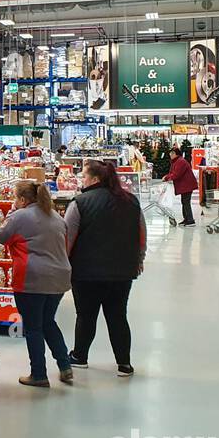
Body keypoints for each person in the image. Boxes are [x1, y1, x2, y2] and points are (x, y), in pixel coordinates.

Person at [64, 159, 144, 377]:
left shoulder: (79, 203)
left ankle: (80, 356)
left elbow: (67, 238)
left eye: (84, 176)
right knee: (118, 315)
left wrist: (64, 264)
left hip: (86, 272)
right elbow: (141, 234)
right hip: (122, 271)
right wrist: (139, 260)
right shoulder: (131, 201)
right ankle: (124, 363)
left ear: (95, 179)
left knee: (86, 315)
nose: (81, 179)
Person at [0, 180, 73, 388]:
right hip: (59, 277)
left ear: (22, 199)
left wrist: (11, 213)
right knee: (48, 322)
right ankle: (65, 366)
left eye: (15, 198)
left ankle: (39, 374)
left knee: (33, 327)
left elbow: (1, 237)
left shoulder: (19, 216)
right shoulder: (56, 216)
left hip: (32, 278)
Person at [164, 147, 198, 227]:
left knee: (186, 202)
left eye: (172, 153)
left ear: (176, 154)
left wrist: (166, 178)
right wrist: (167, 176)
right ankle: (186, 219)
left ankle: (190, 220)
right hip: (185, 185)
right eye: (170, 153)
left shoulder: (180, 162)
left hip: (187, 185)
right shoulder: (177, 161)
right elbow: (173, 172)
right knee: (184, 202)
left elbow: (176, 174)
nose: (170, 155)